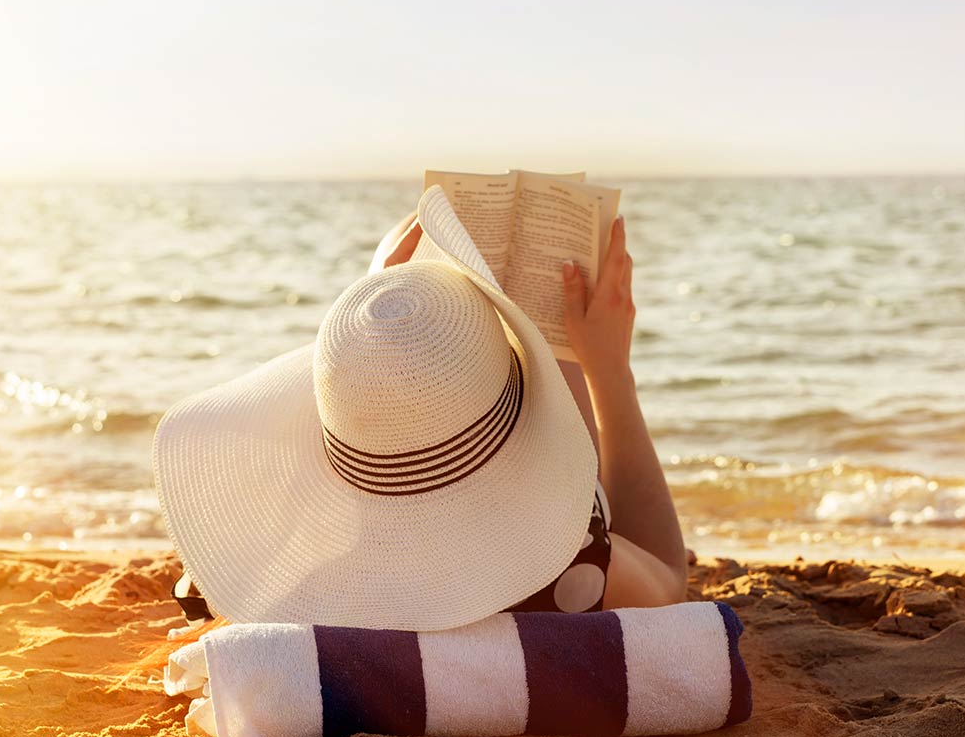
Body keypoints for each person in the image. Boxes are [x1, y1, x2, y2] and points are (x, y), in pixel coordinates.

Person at [150, 192, 684, 642]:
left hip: (361, 522)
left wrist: (377, 310)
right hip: (528, 527)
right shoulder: (570, 563)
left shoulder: (307, 583)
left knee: (398, 352)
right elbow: (668, 580)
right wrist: (610, 370)